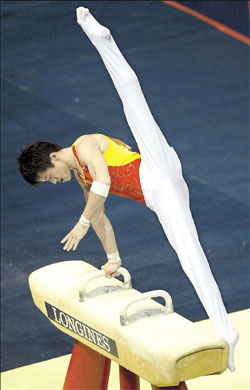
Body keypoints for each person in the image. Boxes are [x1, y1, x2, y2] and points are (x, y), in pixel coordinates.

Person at [17, 6, 238, 371]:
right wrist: (113, 258)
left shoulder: (84, 145)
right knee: (189, 255)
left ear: (54, 158)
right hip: (160, 196)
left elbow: (104, 183)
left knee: (133, 100)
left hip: (155, 166)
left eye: (48, 176)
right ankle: (226, 332)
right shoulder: (81, 178)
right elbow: (100, 213)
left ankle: (101, 39)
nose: (55, 182)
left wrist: (80, 224)